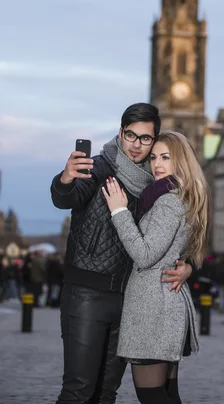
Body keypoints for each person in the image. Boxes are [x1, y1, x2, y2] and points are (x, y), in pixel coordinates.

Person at [50, 103, 192, 404]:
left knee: (105, 393)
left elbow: (169, 237)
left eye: (145, 139)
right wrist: (64, 179)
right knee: (78, 391)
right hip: (87, 294)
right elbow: (69, 197)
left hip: (128, 300)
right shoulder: (101, 167)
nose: (136, 145)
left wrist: (188, 264)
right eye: (130, 135)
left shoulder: (156, 185)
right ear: (120, 133)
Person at [103, 130, 211, 404]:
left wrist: (119, 211)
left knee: (152, 397)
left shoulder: (167, 202)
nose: (157, 164)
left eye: (166, 157)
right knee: (167, 396)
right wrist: (186, 266)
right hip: (164, 305)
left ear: (182, 161)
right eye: (154, 158)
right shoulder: (178, 196)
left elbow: (145, 255)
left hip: (154, 310)